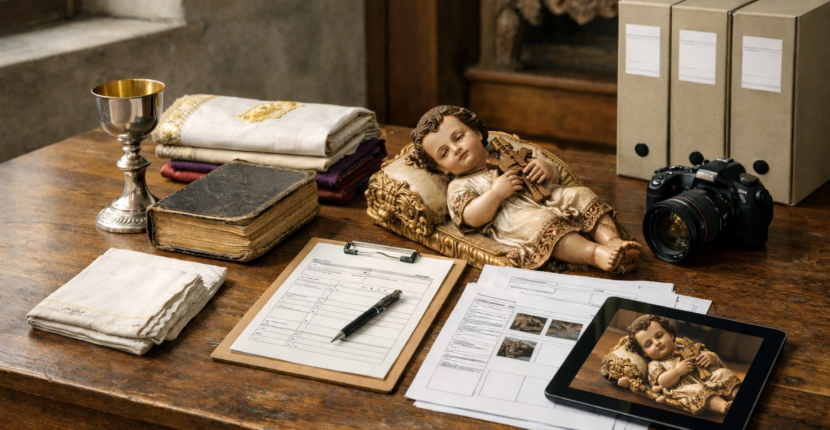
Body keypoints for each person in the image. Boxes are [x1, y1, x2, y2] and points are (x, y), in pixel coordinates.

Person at [405, 105, 640, 271]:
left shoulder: (506, 150)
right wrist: (495, 194)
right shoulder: (459, 185)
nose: (455, 149)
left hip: (548, 195)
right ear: (441, 169)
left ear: (476, 133)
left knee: (580, 195)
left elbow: (553, 172)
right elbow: (470, 217)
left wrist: (544, 167)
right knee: (545, 224)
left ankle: (612, 241)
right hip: (515, 218)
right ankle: (596, 255)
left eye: (458, 137)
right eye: (444, 153)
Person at [621, 314, 741, 415]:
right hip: (684, 387)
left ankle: (738, 395)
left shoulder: (685, 345)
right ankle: (723, 406)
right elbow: (662, 381)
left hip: (707, 376)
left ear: (671, 334)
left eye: (659, 336)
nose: (657, 343)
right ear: (645, 353)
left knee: (722, 373)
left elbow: (709, 358)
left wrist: (710, 357)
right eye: (649, 344)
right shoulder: (655, 364)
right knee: (697, 390)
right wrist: (677, 371)